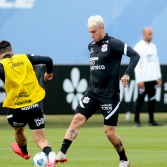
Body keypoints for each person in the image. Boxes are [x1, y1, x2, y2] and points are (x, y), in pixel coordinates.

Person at [55, 15, 140, 167]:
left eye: (94, 31)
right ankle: (61, 154)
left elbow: (135, 55)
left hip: (109, 96)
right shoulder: (91, 46)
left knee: (109, 132)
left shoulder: (114, 43)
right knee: (76, 120)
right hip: (92, 93)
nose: (91, 35)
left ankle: (124, 159)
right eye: (89, 32)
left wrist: (127, 74)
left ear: (102, 28)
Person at [0, 40, 57, 167]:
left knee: (18, 130)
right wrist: (49, 72)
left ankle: (24, 152)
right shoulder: (25, 57)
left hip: (17, 108)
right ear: (11, 51)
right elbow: (48, 59)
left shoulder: (1, 64)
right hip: (35, 105)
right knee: (41, 140)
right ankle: (50, 154)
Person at [133, 27, 163, 127]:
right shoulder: (138, 47)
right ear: (144, 34)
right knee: (140, 100)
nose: (151, 36)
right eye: (149, 34)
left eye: (152, 34)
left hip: (153, 78)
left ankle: (151, 120)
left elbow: (156, 62)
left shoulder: (154, 47)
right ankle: (136, 121)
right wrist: (139, 80)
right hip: (143, 79)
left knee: (152, 100)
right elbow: (136, 65)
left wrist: (158, 77)